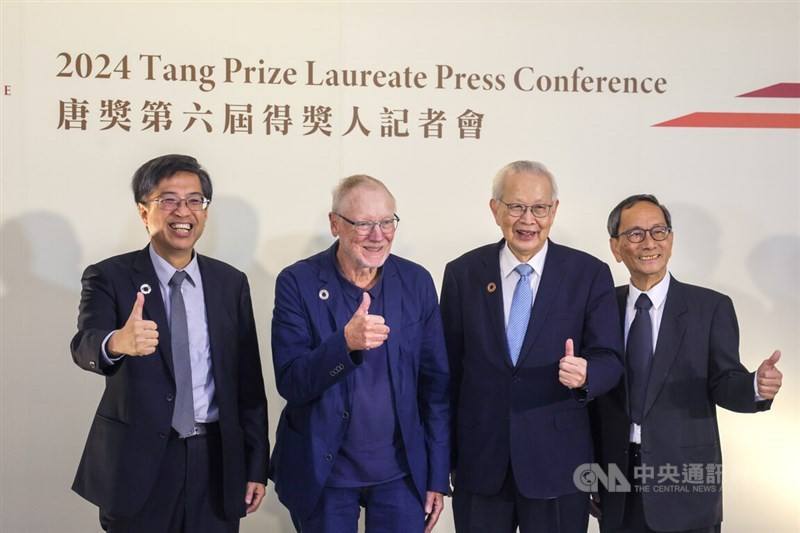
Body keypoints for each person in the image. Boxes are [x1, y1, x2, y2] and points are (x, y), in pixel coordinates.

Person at [70, 154, 269, 533]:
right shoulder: (109, 276)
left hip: (215, 460)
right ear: (144, 211)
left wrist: (256, 464)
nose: (184, 211)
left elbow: (247, 384)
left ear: (206, 212)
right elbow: (84, 344)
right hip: (138, 463)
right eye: (169, 200)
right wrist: (117, 343)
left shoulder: (230, 283)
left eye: (195, 200)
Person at [440, 160, 624, 533]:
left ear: (554, 211)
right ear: (495, 210)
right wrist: (443, 457)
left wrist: (587, 374)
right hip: (480, 463)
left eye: (539, 208)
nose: (528, 219)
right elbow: (448, 372)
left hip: (559, 464)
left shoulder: (588, 274)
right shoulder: (463, 273)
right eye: (516, 207)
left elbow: (611, 358)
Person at [591, 194, 783, 533]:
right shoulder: (601, 306)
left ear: (671, 240)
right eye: (635, 234)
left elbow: (725, 381)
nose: (649, 242)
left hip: (685, 484)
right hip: (617, 481)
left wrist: (755, 386)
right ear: (616, 247)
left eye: (659, 231)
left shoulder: (709, 308)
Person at [269, 174, 450, 533]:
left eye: (387, 222)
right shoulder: (298, 282)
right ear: (335, 223)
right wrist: (344, 344)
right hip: (325, 472)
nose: (378, 235)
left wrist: (436, 475)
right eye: (364, 224)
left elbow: (436, 388)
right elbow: (291, 382)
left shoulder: (416, 282)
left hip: (401, 472)